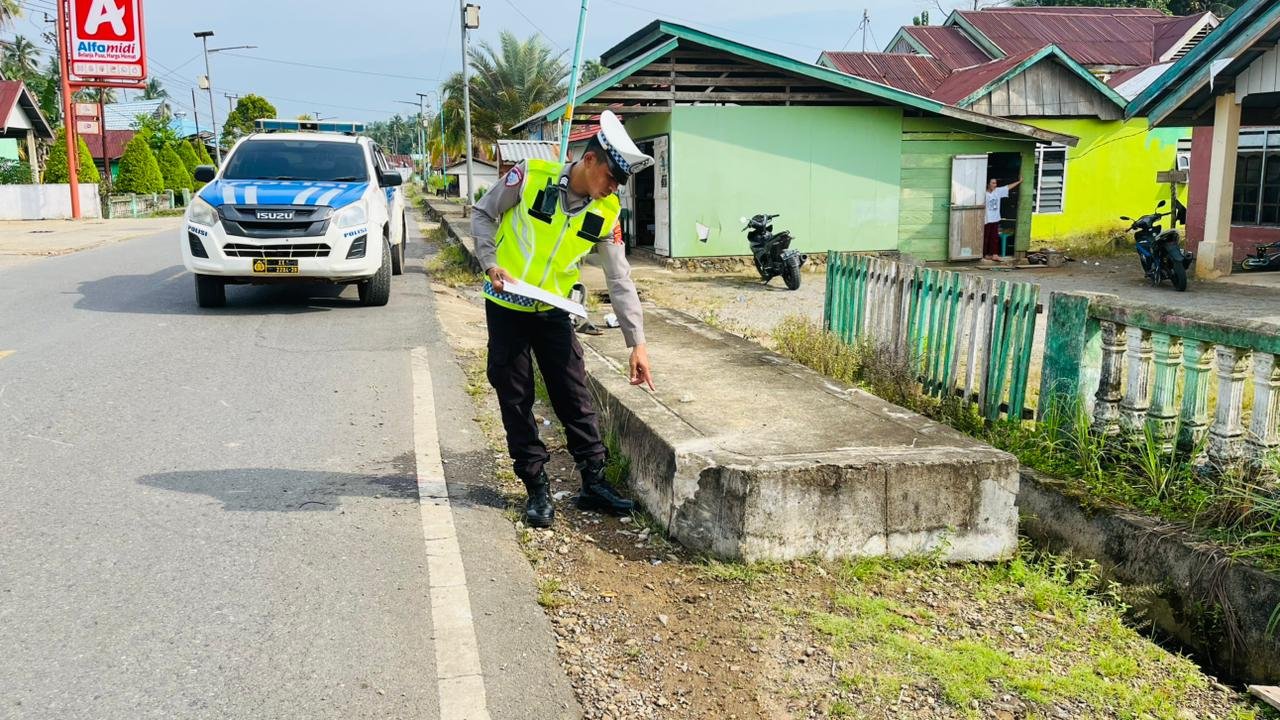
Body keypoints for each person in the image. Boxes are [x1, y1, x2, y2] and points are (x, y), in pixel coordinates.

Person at [471, 110, 655, 529]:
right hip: (507, 307)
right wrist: (490, 262)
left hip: (554, 310)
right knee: (514, 395)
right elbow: (483, 213)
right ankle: (536, 485)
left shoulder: (606, 213)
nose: (613, 189)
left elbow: (619, 277)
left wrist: (636, 343)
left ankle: (593, 481)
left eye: (618, 184)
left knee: (574, 394)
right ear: (590, 161)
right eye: (611, 177)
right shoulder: (530, 176)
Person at [983, 177, 1022, 261]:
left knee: (994, 238)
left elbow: (1008, 187)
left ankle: (994, 254)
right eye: (993, 183)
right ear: (988, 184)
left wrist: (1019, 181)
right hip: (986, 219)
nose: (994, 185)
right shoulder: (983, 193)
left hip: (995, 218)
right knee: (986, 238)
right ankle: (985, 254)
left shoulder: (998, 191)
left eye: (995, 183)